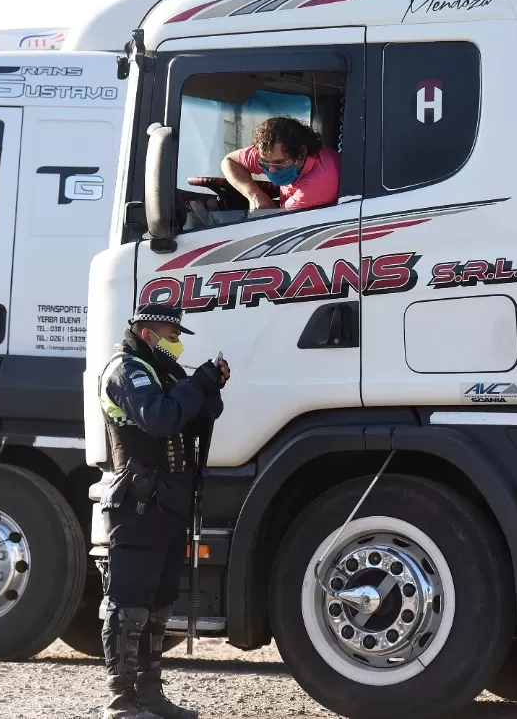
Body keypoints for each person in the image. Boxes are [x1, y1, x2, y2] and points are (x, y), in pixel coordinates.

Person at [97, 302, 230, 719]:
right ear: (149, 332)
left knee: (159, 604)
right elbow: (159, 418)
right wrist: (195, 386)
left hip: (168, 502)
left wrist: (210, 387)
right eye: (171, 336)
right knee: (128, 603)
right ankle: (121, 703)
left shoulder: (161, 371)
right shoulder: (127, 370)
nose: (176, 345)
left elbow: (195, 416)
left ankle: (150, 696)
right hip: (137, 504)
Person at [221, 116, 340, 212]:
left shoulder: (320, 182)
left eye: (279, 163)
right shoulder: (270, 152)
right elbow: (229, 162)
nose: (271, 170)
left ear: (302, 153)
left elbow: (276, 222)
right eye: (266, 162)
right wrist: (254, 195)